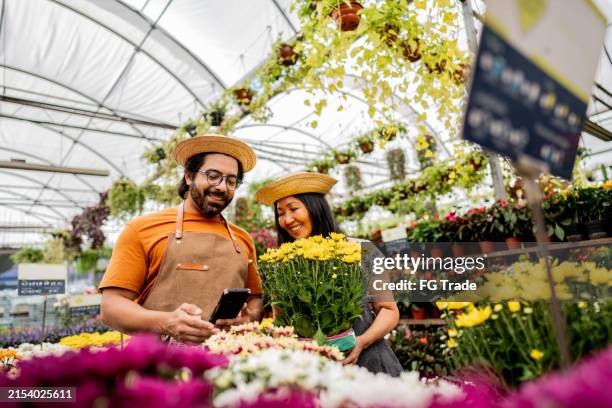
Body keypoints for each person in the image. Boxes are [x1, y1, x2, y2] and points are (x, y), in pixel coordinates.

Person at [99, 134, 264, 344]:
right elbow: (111, 307)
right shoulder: (143, 229)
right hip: (157, 368)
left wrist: (247, 318)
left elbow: (255, 300)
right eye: (213, 176)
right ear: (188, 176)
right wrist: (166, 322)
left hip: (226, 365)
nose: (222, 187)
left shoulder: (242, 239)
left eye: (231, 181)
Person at [255, 172, 402, 376]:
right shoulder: (283, 264)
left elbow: (389, 310)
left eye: (294, 209)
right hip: (314, 372)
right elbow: (281, 322)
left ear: (315, 208)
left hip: (369, 366)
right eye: (280, 213)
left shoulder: (362, 250)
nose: (287, 220)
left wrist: (360, 342)